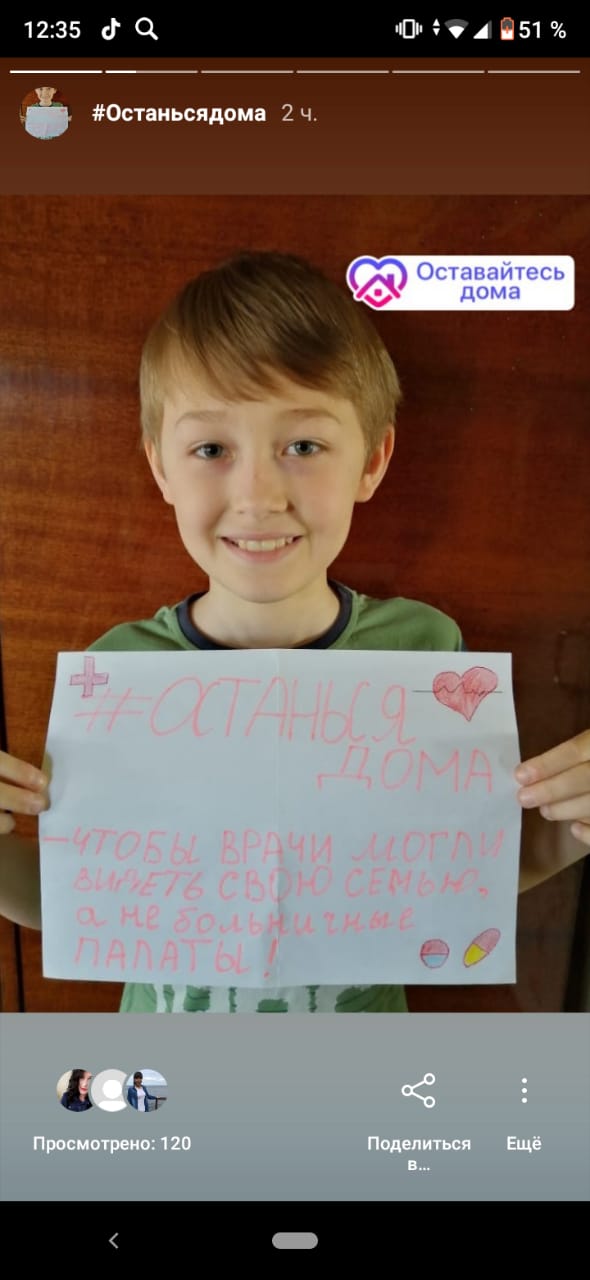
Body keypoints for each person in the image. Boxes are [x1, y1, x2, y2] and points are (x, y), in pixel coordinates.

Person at [0, 251, 589, 1013]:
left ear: (371, 461)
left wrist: (575, 827)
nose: (258, 495)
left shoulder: (425, 655)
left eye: (303, 446)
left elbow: (463, 877)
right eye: (211, 449)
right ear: (161, 469)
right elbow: (73, 902)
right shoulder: (119, 673)